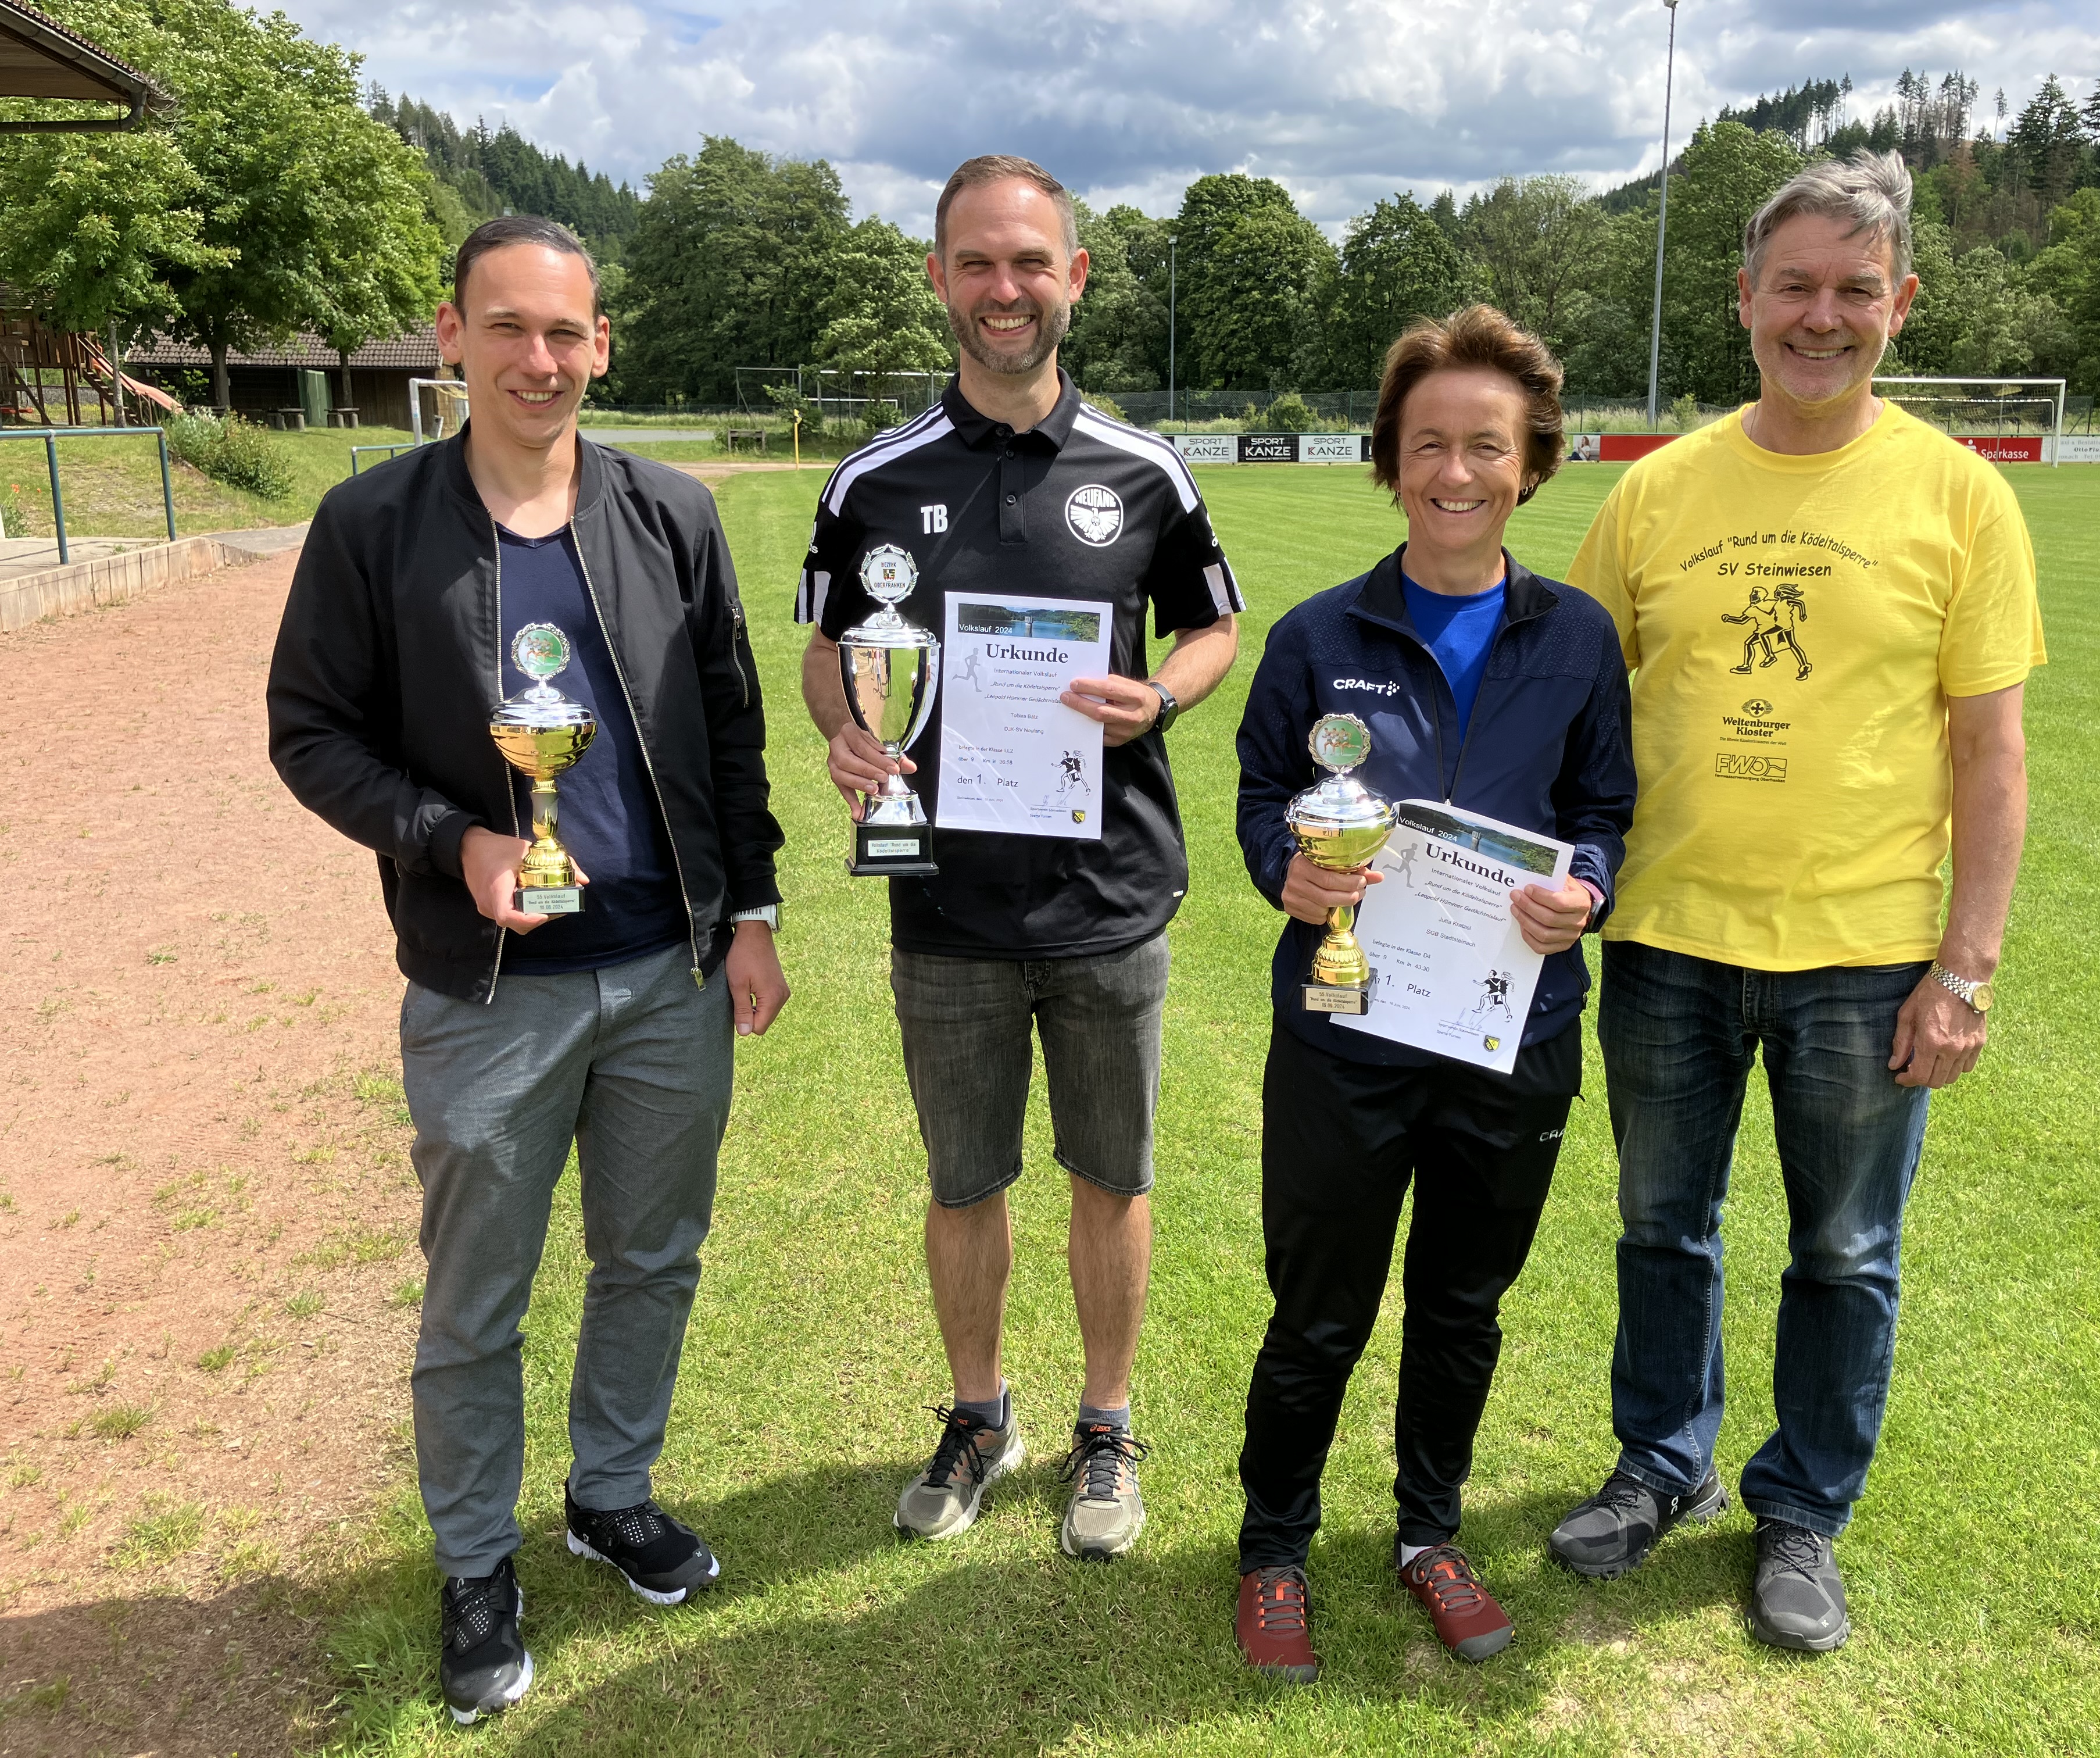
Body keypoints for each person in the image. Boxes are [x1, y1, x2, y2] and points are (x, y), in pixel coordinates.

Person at [267, 217, 788, 1723]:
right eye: (509, 329)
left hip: (667, 978)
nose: (539, 360)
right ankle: (476, 1562)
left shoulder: (671, 515)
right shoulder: (373, 525)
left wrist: (748, 913)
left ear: (601, 345)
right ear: (453, 335)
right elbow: (310, 729)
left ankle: (611, 1494)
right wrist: (452, 842)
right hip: (485, 991)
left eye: (565, 333)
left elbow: (733, 728)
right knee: (476, 1297)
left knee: (653, 1258)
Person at [1548, 151, 2044, 1653]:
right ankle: (1664, 1465)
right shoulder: (1662, 492)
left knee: (1846, 1253)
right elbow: (1570, 695)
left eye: (1853, 290)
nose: (1820, 318)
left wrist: (1967, 968)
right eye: (1795, 287)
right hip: (1669, 939)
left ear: (1899, 303)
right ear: (1744, 300)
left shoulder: (1959, 500)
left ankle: (1806, 1512)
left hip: (1867, 955)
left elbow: (1992, 746)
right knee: (1661, 1228)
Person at [796, 155, 1240, 1561]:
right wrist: (848, 736)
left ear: (1074, 280)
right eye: (978, 263)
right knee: (965, 1181)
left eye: (1031, 263)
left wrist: (1163, 696)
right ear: (938, 277)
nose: (1006, 289)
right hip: (943, 900)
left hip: (1109, 897)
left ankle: (1107, 1427)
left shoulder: (1146, 470)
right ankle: (982, 1413)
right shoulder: (871, 480)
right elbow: (824, 653)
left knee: (1113, 1174)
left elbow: (1220, 628)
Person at [1229, 305, 1635, 1681]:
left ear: (1531, 464)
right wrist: (1283, 871)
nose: (1455, 472)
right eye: (1428, 446)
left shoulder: (1579, 636)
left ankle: (1429, 1534)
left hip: (1510, 1033)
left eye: (1486, 447)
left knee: (1463, 1306)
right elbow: (1258, 800)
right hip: (1346, 1029)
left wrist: (1585, 887)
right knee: (1321, 1308)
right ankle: (1275, 1547)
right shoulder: (1313, 634)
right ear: (1388, 461)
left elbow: (1602, 811)